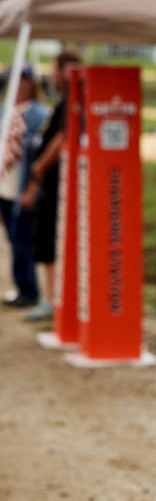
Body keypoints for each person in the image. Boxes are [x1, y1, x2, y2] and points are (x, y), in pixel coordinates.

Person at [20, 51, 81, 321]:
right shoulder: (65, 103)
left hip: (58, 185)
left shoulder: (72, 103)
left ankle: (53, 299)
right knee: (46, 240)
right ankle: (53, 297)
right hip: (54, 184)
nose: (53, 75)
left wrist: (40, 167)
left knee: (50, 240)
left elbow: (62, 138)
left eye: (55, 69)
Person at [0, 64, 50, 309]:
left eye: (25, 79)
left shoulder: (39, 114)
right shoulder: (5, 110)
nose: (21, 84)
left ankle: (29, 290)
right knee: (13, 238)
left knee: (22, 240)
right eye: (16, 79)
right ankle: (22, 286)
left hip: (24, 185)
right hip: (5, 186)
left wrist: (33, 187)